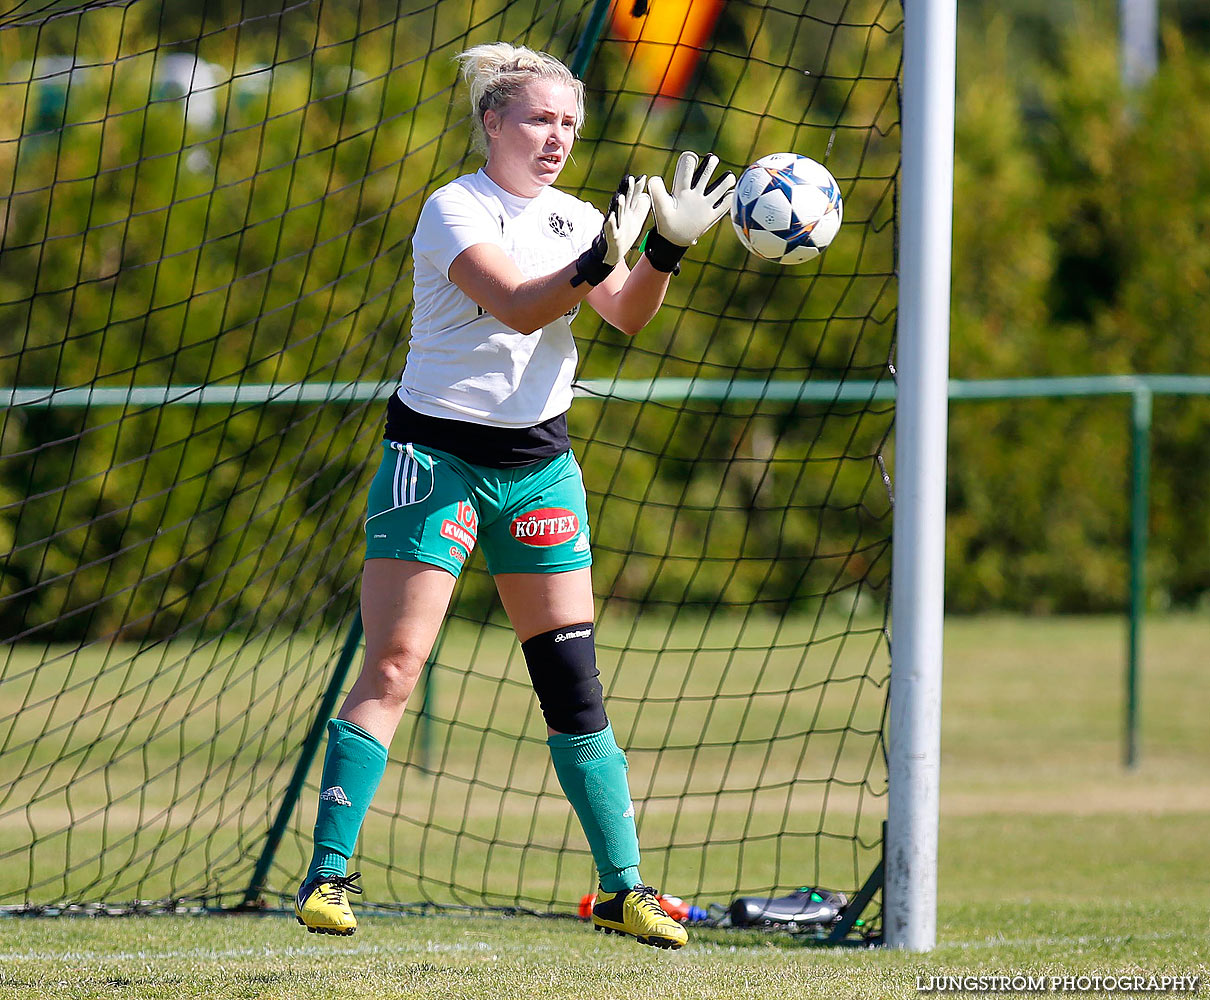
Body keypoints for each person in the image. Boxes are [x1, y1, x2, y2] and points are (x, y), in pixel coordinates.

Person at [293, 41, 735, 950]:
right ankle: (329, 875)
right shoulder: (454, 208)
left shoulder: (578, 218)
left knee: (573, 684)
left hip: (539, 464)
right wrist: (596, 260)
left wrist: (664, 248)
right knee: (396, 665)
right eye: (539, 119)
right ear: (492, 122)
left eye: (570, 123)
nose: (557, 138)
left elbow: (628, 314)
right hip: (437, 459)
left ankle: (624, 888)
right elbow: (520, 304)